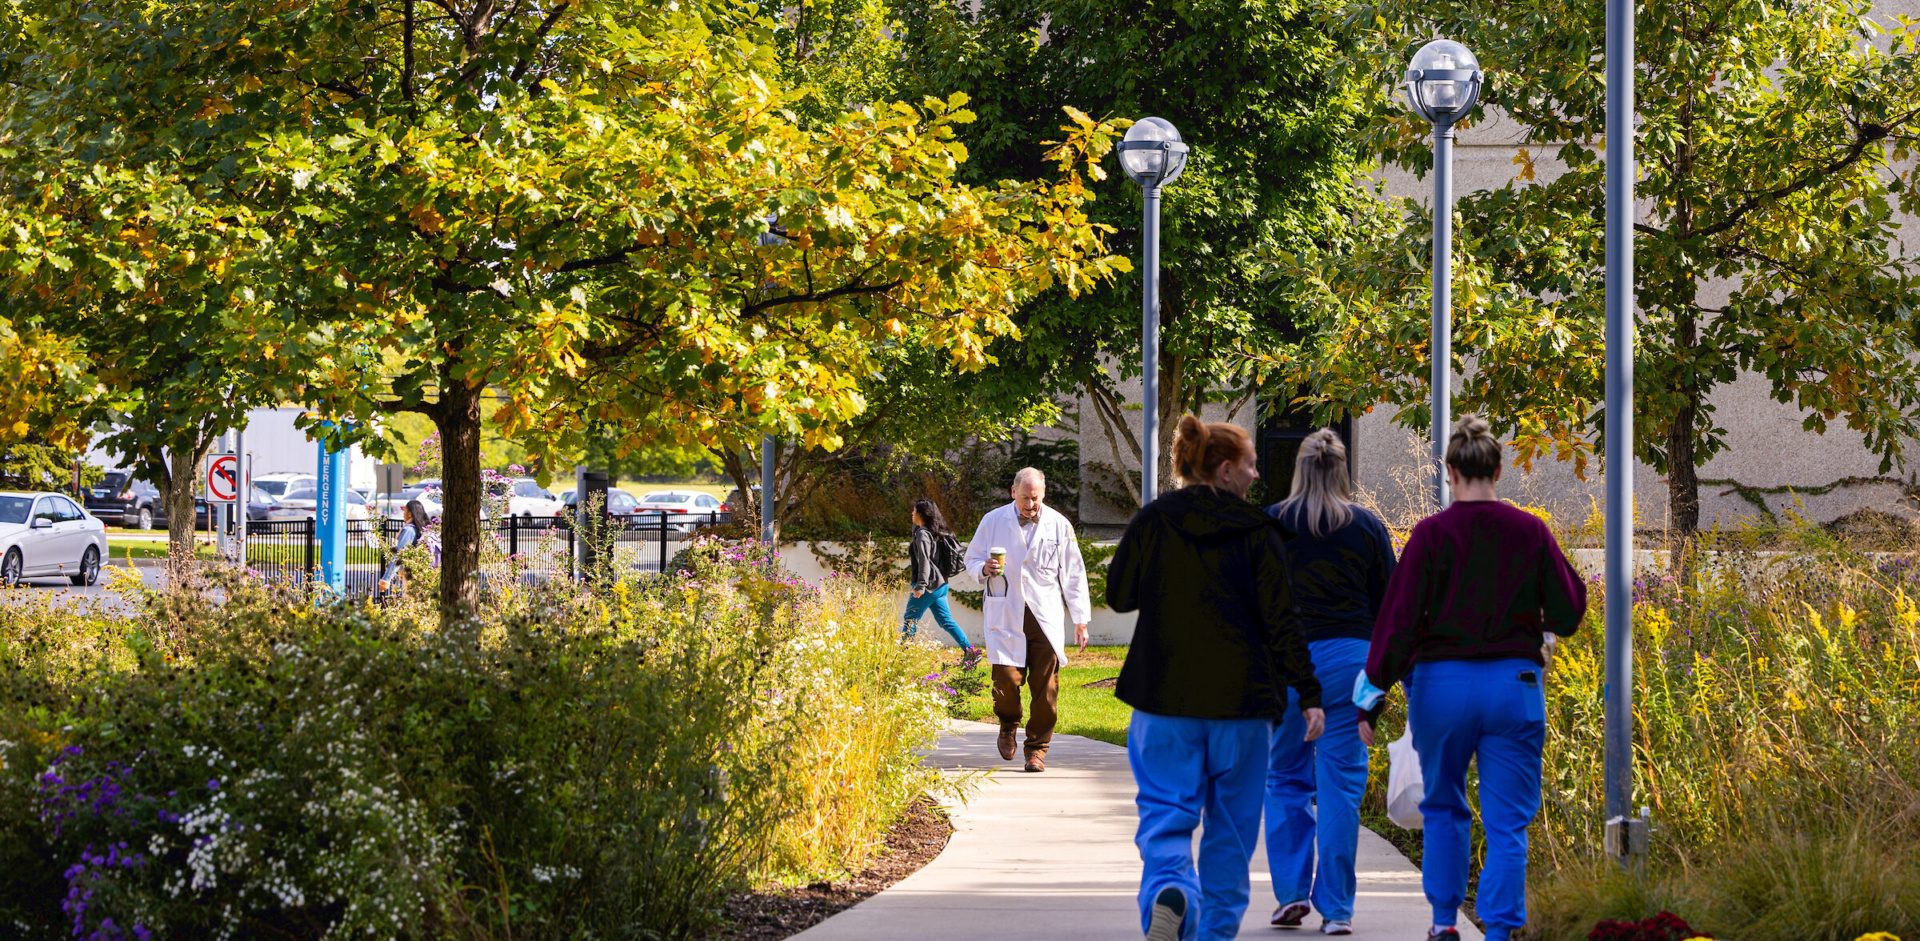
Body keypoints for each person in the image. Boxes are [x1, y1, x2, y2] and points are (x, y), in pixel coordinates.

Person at [1359, 416, 1587, 941]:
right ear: (1499, 470)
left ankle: (1443, 922)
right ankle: (1501, 930)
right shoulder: (1530, 531)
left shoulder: (1430, 536)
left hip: (1443, 687)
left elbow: (1395, 626)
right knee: (1509, 822)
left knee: (1444, 806)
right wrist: (1536, 619)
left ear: (1450, 472)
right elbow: (1570, 609)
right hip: (1514, 685)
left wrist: (1370, 699)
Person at [1107, 415, 1325, 941]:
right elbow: (1283, 621)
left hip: (1164, 701)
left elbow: (1119, 595)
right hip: (1242, 709)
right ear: (1225, 470)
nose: (1255, 476)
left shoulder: (1153, 521)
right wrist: (1310, 693)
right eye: (1250, 466)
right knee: (1230, 835)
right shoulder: (1259, 534)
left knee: (1165, 814)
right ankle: (1214, 932)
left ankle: (1169, 888)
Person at [1262, 429, 1397, 935]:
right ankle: (1337, 909)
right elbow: (1390, 610)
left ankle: (1291, 894)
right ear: (1343, 470)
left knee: (1285, 779)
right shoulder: (1365, 526)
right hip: (1351, 666)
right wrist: (1380, 688)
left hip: (1289, 664)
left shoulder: (1273, 523)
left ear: (1299, 468)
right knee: (1340, 787)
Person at [962, 467, 1092, 773]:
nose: (1030, 505)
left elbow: (1073, 573)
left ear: (1043, 494)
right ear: (1012, 492)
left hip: (1044, 615)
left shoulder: (1059, 525)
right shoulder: (993, 521)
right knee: (1005, 680)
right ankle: (1008, 724)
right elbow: (971, 559)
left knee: (1046, 688)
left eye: (1035, 498)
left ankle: (1037, 748)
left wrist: (1080, 619)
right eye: (1024, 498)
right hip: (1006, 611)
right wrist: (984, 569)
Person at [903, 499, 982, 666]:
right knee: (946, 621)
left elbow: (924, 561)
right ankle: (971, 651)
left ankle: (903, 658)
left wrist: (920, 586)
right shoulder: (934, 532)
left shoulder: (922, 534)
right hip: (940, 584)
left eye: (914, 511)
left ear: (921, 514)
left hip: (928, 586)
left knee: (910, 619)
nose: (912, 513)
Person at [377, 499, 431, 598]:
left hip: (411, 576)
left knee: (410, 606)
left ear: (410, 514)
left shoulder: (409, 530)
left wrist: (386, 579)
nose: (403, 513)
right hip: (426, 574)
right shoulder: (422, 530)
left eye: (405, 510)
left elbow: (399, 556)